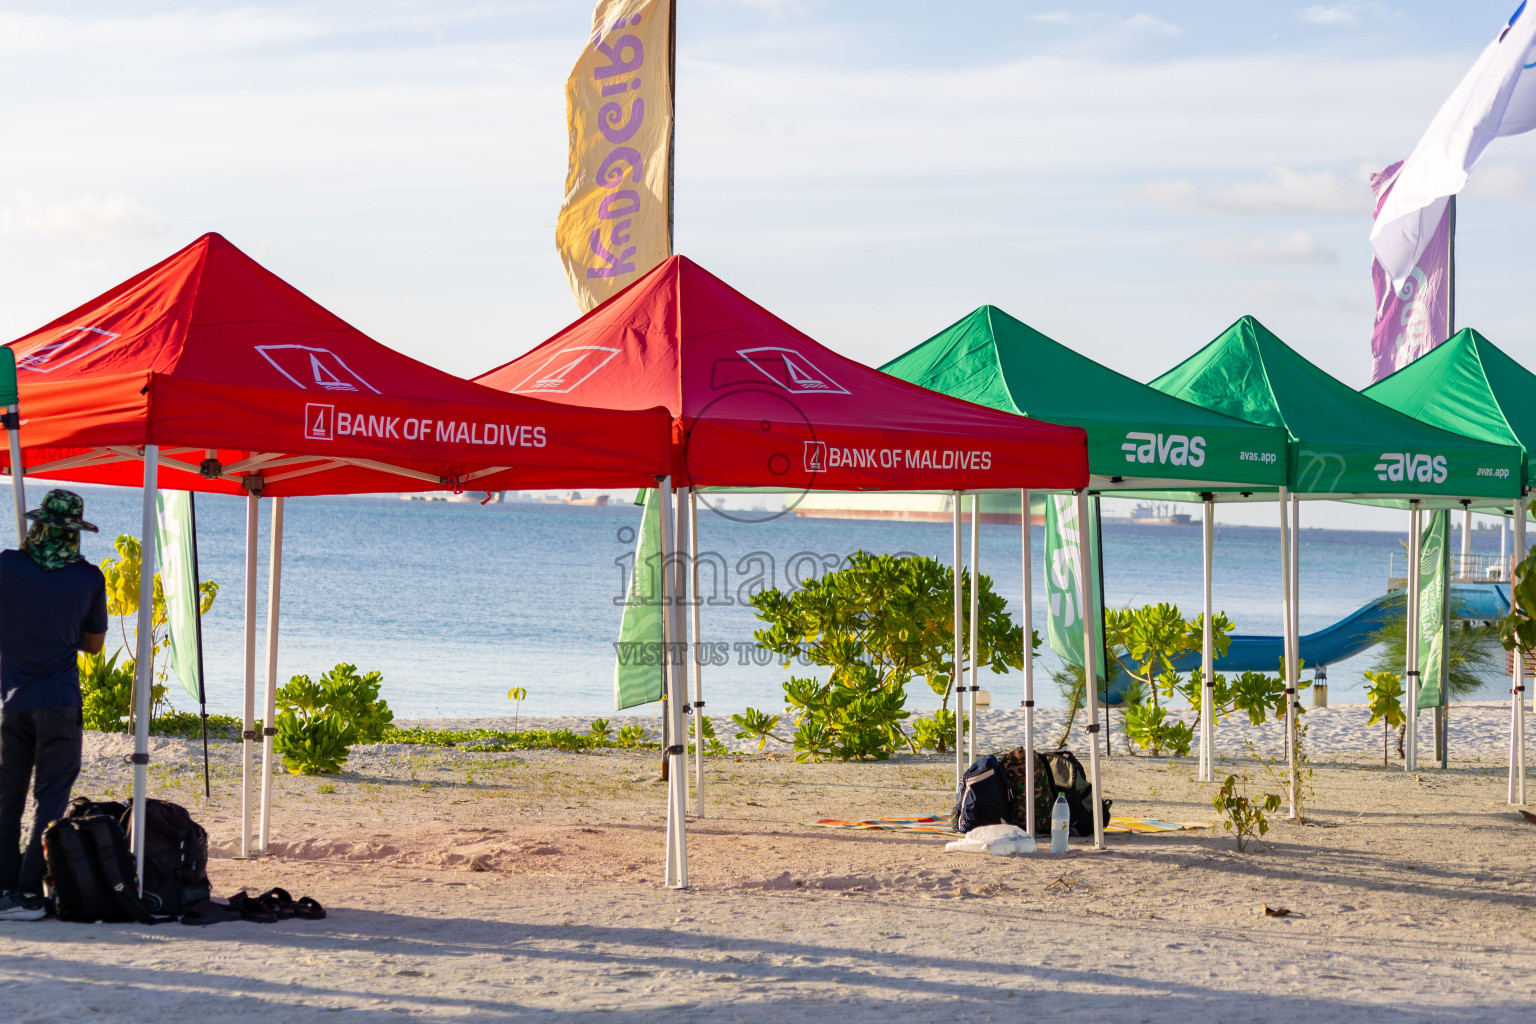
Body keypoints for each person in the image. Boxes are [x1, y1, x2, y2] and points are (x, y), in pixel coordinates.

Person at [0, 489, 107, 921]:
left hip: (10, 700)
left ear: (38, 524)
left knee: (7, 796)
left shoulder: (6, 564)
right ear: (75, 533)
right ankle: (27, 893)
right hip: (59, 700)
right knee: (50, 796)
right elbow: (94, 646)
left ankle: (4, 885)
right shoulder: (88, 578)